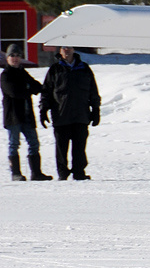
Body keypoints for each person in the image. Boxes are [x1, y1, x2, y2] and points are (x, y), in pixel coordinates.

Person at [39, 46, 101, 181]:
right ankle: (62, 172)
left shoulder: (84, 68)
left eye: (69, 48)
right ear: (60, 51)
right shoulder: (55, 69)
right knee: (61, 147)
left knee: (79, 146)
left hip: (81, 114)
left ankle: (79, 172)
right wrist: (43, 110)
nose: (66, 51)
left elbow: (93, 90)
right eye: (63, 48)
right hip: (61, 115)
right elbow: (47, 91)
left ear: (73, 50)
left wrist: (95, 109)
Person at [2, 44, 52, 181]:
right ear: (7, 58)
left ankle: (36, 173)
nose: (15, 58)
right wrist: (28, 88)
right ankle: (16, 173)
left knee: (34, 143)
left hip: (27, 115)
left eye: (18, 55)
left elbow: (36, 86)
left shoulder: (23, 73)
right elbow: (14, 92)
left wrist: (37, 88)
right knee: (14, 144)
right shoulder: (5, 75)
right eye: (12, 56)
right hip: (13, 117)